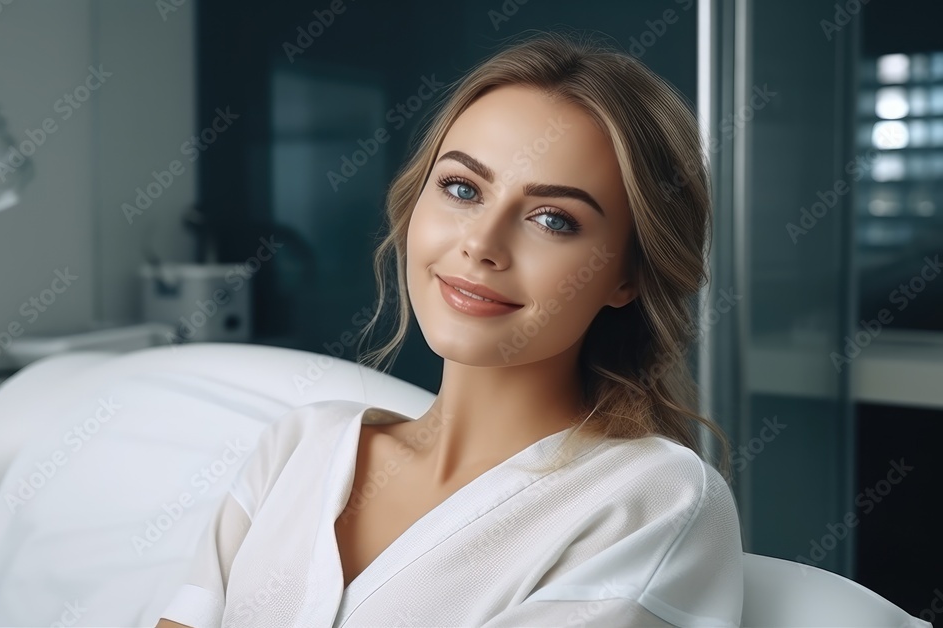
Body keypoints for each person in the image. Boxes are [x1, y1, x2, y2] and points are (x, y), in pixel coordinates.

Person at [157, 29, 744, 628]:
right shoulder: (298, 446)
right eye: (462, 188)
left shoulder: (651, 499)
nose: (482, 245)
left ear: (628, 277)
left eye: (553, 219)